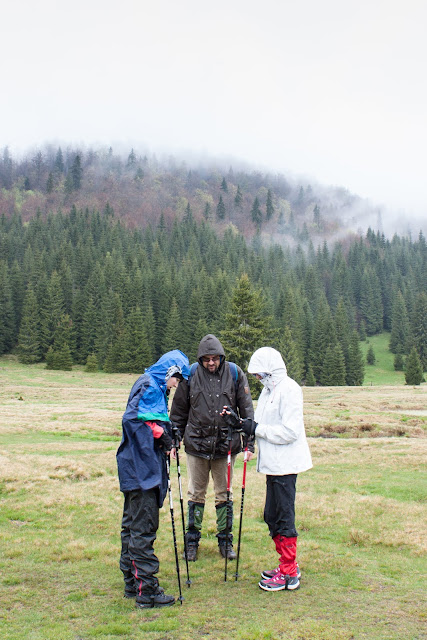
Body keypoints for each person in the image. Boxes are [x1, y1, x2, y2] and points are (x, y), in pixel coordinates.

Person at [222, 346, 312, 591]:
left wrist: (254, 429)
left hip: (286, 464)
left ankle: (288, 573)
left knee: (283, 517)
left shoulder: (290, 390)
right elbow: (260, 424)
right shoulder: (268, 392)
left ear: (270, 370)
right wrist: (240, 424)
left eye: (259, 374)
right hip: (272, 465)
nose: (257, 378)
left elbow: (290, 432)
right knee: (271, 516)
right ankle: (286, 564)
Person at [170, 334, 254, 561]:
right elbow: (178, 411)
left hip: (226, 446)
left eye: (214, 358)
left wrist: (250, 440)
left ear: (221, 357)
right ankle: (192, 542)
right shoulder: (190, 374)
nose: (210, 363)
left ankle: (225, 542)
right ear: (200, 359)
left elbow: (246, 410)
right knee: (195, 494)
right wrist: (173, 439)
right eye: (206, 359)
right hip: (196, 446)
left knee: (224, 494)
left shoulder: (235, 373)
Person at [116, 349, 190, 609]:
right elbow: (135, 420)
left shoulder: (153, 386)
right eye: (176, 380)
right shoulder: (149, 385)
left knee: (132, 525)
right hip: (141, 471)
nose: (176, 385)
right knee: (143, 528)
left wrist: (169, 431)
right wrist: (162, 435)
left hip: (137, 469)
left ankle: (131, 581)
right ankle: (146, 591)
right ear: (169, 371)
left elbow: (152, 420)